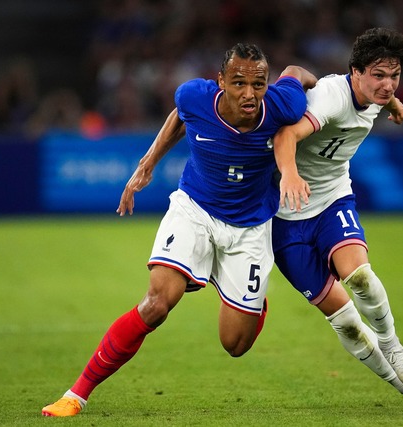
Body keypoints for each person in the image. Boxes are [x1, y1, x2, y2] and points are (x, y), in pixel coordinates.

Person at [42, 43, 317, 417]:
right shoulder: (194, 96)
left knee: (235, 344)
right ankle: (76, 395)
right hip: (195, 210)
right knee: (157, 303)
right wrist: (148, 161)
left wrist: (302, 76)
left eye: (258, 84)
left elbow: (297, 74)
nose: (249, 94)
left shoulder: (283, 104)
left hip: (250, 227)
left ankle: (252, 302)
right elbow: (180, 114)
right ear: (221, 82)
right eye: (238, 83)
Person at [272, 27, 403, 409]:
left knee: (360, 275)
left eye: (394, 76)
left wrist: (392, 105)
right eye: (379, 75)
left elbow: (379, 99)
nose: (388, 84)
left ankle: (393, 345)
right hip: (285, 218)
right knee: (346, 323)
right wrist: (290, 174)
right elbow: (286, 136)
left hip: (331, 200)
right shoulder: (330, 98)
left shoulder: (377, 95)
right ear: (354, 72)